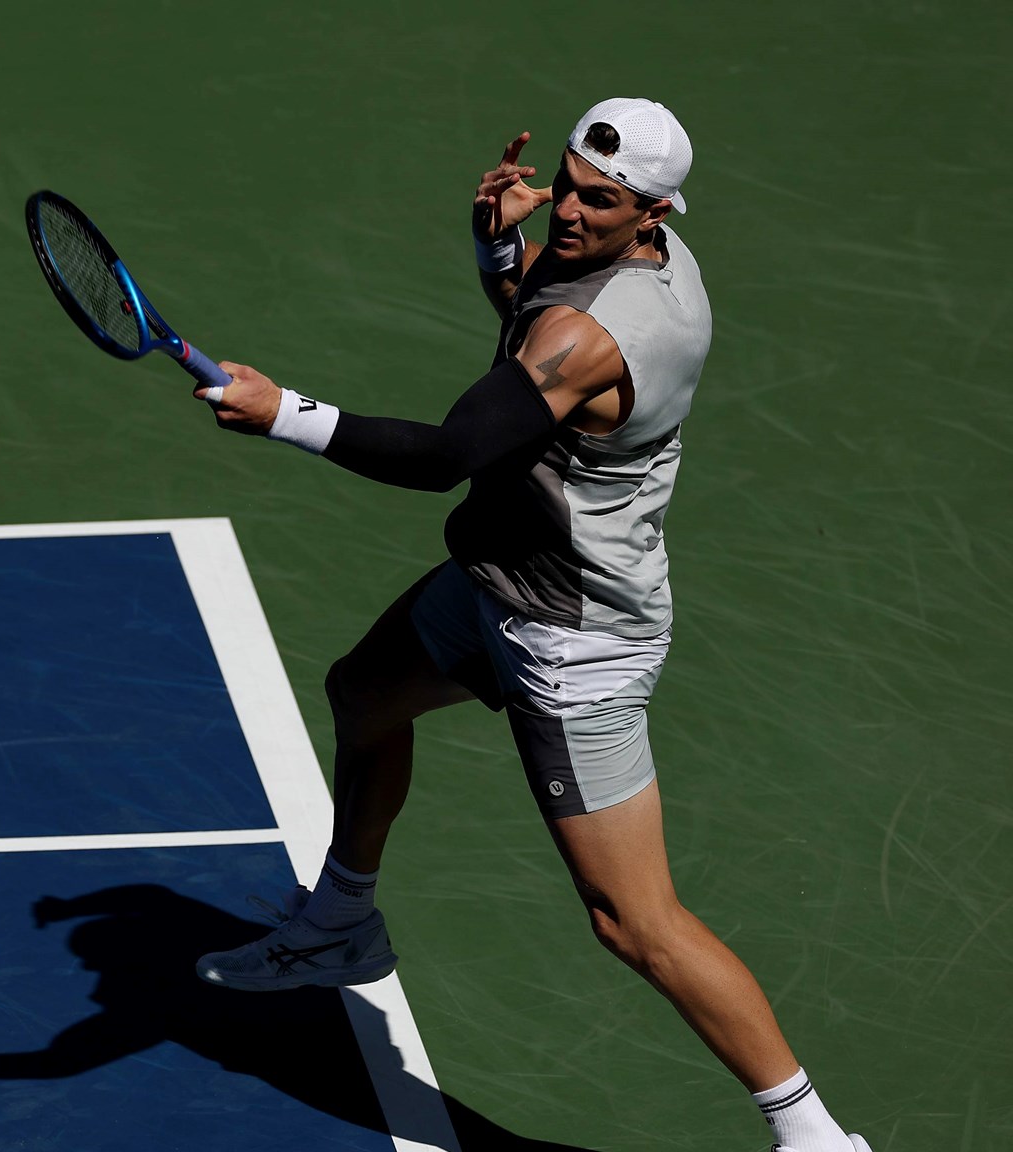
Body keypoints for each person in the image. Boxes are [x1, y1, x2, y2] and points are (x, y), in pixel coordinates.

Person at [189, 98, 870, 1152]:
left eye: (600, 202)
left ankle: (814, 1136)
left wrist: (282, 413)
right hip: (500, 582)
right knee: (362, 693)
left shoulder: (596, 334)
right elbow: (525, 316)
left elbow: (446, 453)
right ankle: (339, 925)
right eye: (567, 183)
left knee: (631, 923)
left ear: (651, 214)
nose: (573, 211)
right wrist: (495, 239)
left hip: (571, 637)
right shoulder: (615, 264)